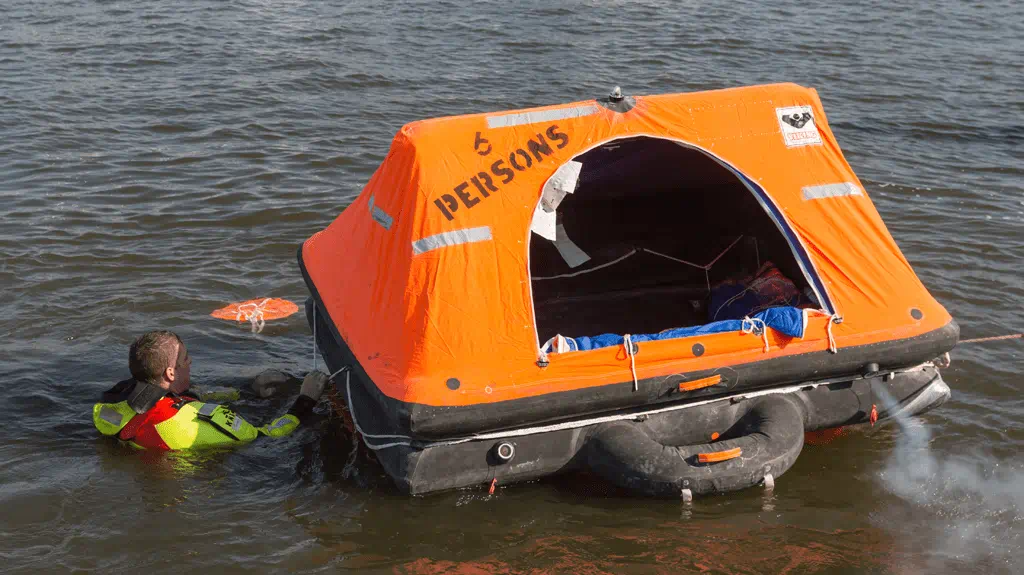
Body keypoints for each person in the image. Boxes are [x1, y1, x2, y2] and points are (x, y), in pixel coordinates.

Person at [92, 330, 329, 451]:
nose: (190, 362)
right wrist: (306, 399)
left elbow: (177, 401)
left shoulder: (109, 407)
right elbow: (266, 436)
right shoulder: (207, 421)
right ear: (170, 373)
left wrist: (248, 391)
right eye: (185, 358)